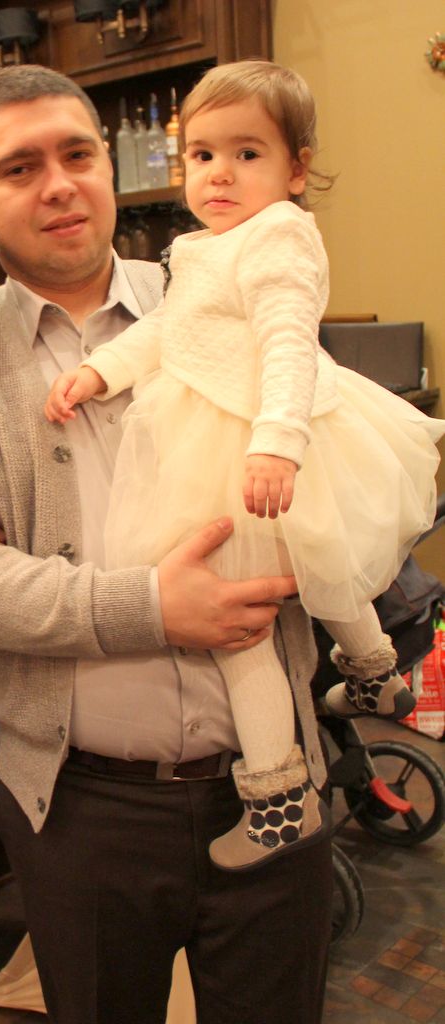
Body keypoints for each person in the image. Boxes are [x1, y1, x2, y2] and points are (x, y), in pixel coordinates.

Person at [0, 64, 331, 1024]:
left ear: (110, 165)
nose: (58, 185)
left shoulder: (220, 283)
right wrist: (147, 607)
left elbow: (326, 444)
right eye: (19, 168)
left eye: (77, 154)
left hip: (276, 784)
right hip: (80, 811)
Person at [44, 59, 444, 872]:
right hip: (218, 441)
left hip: (261, 443)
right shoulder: (200, 249)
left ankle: (277, 800)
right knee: (321, 564)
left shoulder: (277, 237)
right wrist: (100, 372)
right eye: (201, 155)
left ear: (296, 169)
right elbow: (167, 333)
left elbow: (290, 342)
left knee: (238, 629)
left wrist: (276, 443)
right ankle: (375, 677)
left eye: (246, 154)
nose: (218, 173)